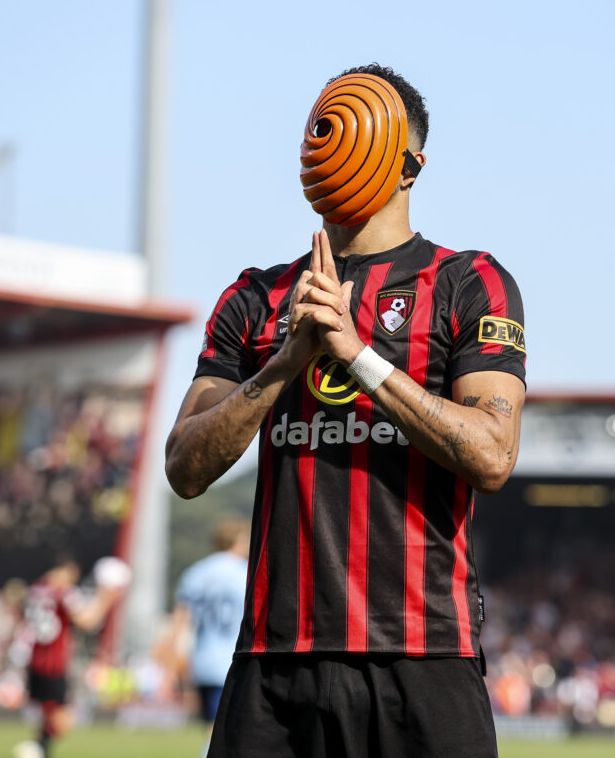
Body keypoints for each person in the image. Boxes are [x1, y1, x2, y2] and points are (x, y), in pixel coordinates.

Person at [166, 63, 527, 758]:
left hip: (422, 660)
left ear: (411, 164)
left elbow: (491, 455)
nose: (324, 142)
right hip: (274, 661)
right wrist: (285, 363)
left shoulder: (468, 283)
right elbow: (184, 467)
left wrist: (358, 355)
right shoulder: (256, 298)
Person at [12, 553, 126, 758]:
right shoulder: (63, 592)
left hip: (35, 660)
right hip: (53, 663)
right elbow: (87, 621)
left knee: (49, 715)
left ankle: (39, 749)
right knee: (65, 720)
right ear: (66, 570)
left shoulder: (36, 588)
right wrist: (107, 598)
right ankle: (35, 748)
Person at [169, 518, 250, 728]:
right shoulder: (245, 573)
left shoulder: (196, 572)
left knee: (211, 726)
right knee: (228, 731)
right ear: (238, 540)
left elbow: (180, 619)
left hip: (203, 659)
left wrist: (175, 658)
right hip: (236, 659)